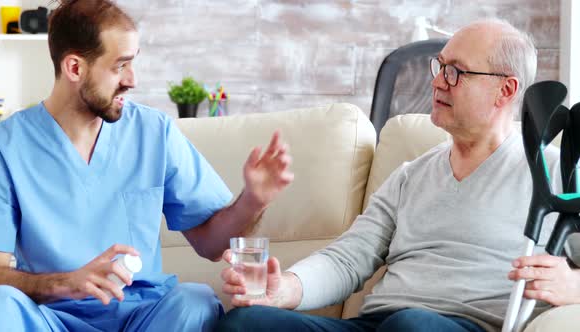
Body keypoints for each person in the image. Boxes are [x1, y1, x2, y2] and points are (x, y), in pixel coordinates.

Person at [216, 19, 580, 332]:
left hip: (453, 325)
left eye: (456, 72)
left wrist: (575, 284)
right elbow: (348, 259)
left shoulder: (555, 174)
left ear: (506, 90)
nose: (438, 82)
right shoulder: (411, 175)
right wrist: (284, 289)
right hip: (378, 324)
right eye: (440, 67)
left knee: (412, 325)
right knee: (244, 323)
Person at [0, 0, 293, 331]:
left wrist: (253, 200)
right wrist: (64, 283)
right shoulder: (4, 146)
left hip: (143, 319)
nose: (132, 80)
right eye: (120, 66)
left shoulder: (153, 132)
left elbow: (211, 245)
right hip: (49, 319)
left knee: (195, 301)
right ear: (75, 68)